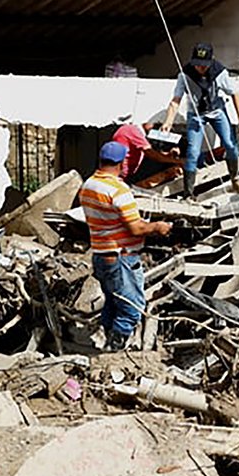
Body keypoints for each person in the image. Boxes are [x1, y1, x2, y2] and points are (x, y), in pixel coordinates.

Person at [79, 141, 173, 351]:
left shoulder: (88, 185)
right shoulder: (118, 190)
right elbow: (137, 229)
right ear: (122, 163)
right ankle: (114, 348)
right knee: (132, 308)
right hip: (121, 256)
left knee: (112, 303)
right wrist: (158, 226)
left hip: (101, 255)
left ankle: (103, 341)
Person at [160, 42, 239, 199]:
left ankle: (234, 177)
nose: (200, 68)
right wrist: (168, 122)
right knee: (193, 152)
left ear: (211, 60)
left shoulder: (220, 72)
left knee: (229, 144)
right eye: (197, 65)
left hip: (217, 111)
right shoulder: (185, 74)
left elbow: (235, 94)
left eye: (204, 65)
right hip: (195, 115)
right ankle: (188, 194)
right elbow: (176, 100)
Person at [112, 122, 182, 182]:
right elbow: (152, 154)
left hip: (124, 171)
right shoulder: (134, 131)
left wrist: (168, 155)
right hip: (124, 173)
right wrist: (177, 161)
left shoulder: (130, 129)